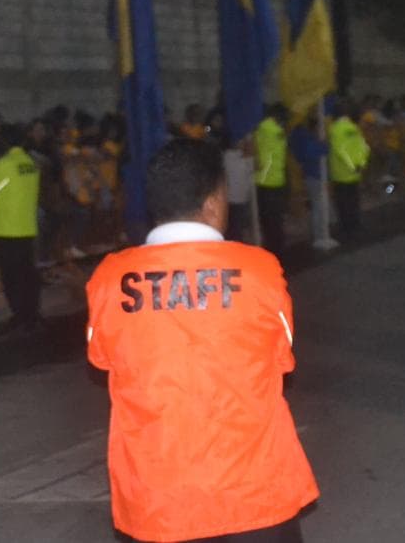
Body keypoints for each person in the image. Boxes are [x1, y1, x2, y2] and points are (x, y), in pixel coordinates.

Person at [85, 139, 318, 542]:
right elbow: (281, 357)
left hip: (158, 504)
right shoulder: (260, 270)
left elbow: (101, 359)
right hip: (253, 496)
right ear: (212, 202)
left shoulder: (109, 279)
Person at [0, 124, 43, 334]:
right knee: (28, 274)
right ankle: (32, 315)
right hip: (27, 226)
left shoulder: (2, 165)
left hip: (7, 228)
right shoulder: (30, 164)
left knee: (12, 277)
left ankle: (19, 317)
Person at [289, 113, 335, 251]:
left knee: (319, 205)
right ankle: (319, 235)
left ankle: (320, 233)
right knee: (318, 206)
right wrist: (324, 146)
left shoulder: (301, 138)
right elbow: (316, 152)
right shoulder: (308, 141)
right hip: (315, 176)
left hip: (312, 175)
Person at [328, 99, 371, 239]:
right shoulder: (354, 127)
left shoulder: (335, 128)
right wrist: (360, 164)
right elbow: (364, 147)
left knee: (343, 204)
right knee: (353, 201)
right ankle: (355, 226)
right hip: (354, 172)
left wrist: (353, 166)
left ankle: (348, 229)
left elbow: (340, 150)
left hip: (341, 173)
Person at [254, 104, 290, 257]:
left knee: (267, 219)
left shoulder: (262, 129)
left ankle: (272, 249)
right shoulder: (276, 131)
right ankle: (277, 249)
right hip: (274, 179)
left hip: (264, 179)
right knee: (275, 219)